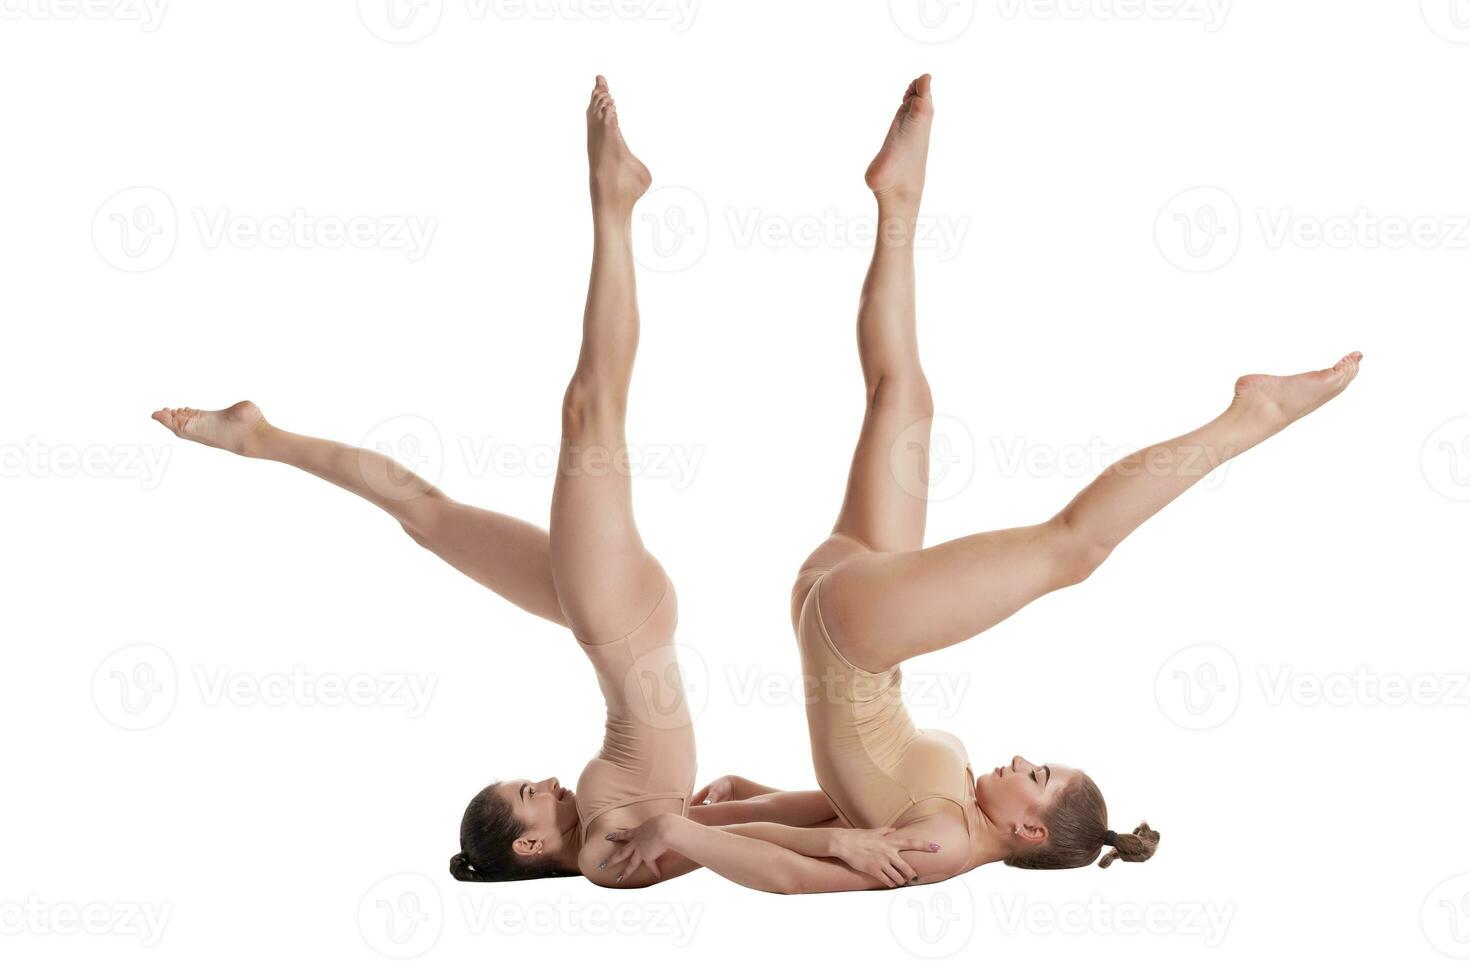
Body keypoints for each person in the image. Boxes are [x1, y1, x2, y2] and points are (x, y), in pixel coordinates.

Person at [600, 74, 1362, 891]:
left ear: (1028, 829)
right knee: (905, 396)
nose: (1027, 760)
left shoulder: (946, 849)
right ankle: (898, 198)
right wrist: (750, 799)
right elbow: (843, 808)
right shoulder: (955, 805)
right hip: (844, 615)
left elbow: (792, 876)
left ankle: (1248, 418)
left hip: (854, 634)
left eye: (1038, 777)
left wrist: (682, 829)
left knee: (1071, 552)